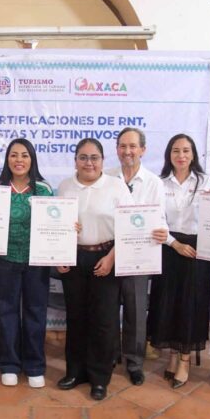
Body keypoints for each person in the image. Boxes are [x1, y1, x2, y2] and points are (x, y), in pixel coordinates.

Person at [56, 138, 133, 401]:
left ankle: (100, 378)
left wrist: (111, 258)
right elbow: (55, 225)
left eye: (94, 157)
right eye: (83, 157)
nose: (89, 163)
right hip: (74, 258)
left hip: (107, 257)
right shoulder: (65, 186)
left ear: (102, 160)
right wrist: (59, 254)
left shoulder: (116, 186)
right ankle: (75, 372)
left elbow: (129, 227)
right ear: (75, 160)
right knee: (76, 318)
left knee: (103, 320)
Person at [147, 134, 210, 389]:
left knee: (190, 306)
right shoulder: (160, 182)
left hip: (197, 250)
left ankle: (184, 361)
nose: (181, 155)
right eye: (176, 150)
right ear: (169, 155)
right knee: (168, 304)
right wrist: (175, 244)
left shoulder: (205, 181)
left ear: (193, 154)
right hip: (168, 247)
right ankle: (173, 356)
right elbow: (156, 219)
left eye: (186, 150)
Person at [105, 127, 168, 386]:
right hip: (108, 253)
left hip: (139, 255)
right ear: (117, 149)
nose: (127, 151)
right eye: (123, 146)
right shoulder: (106, 177)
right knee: (107, 308)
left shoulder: (154, 183)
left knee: (135, 310)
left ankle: (134, 362)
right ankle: (110, 355)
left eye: (132, 146)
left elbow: (160, 218)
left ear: (143, 149)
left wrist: (162, 231)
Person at [0, 139, 53, 388]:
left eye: (24, 155)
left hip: (36, 262)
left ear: (32, 159)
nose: (19, 160)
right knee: (7, 312)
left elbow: (54, 225)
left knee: (35, 312)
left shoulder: (44, 190)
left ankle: (35, 365)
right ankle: (9, 365)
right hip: (5, 261)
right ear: (7, 159)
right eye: (14, 155)